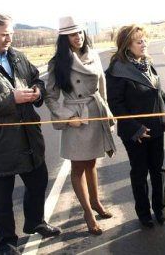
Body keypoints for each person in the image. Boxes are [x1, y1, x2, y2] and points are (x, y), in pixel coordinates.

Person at [0, 12, 61, 255]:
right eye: (4, 34)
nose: (9, 38)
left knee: (39, 181)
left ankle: (35, 221)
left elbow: (36, 79)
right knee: (1, 199)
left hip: (29, 135)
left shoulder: (18, 56)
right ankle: (7, 242)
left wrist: (36, 91)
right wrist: (12, 98)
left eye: (11, 33)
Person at [45, 16, 116, 235]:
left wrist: (107, 112)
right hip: (76, 117)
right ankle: (87, 212)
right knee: (78, 167)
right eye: (73, 34)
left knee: (92, 162)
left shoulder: (92, 54)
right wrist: (66, 117)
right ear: (64, 38)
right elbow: (50, 95)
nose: (79, 37)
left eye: (80, 32)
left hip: (95, 112)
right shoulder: (58, 63)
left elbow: (102, 84)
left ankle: (95, 202)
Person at [106, 24, 165, 228]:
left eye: (145, 40)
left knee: (158, 170)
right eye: (139, 41)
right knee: (139, 172)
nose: (144, 44)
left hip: (156, 127)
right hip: (135, 133)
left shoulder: (145, 62)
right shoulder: (116, 70)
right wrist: (135, 128)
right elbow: (115, 104)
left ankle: (160, 208)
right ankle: (143, 213)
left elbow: (157, 89)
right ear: (128, 44)